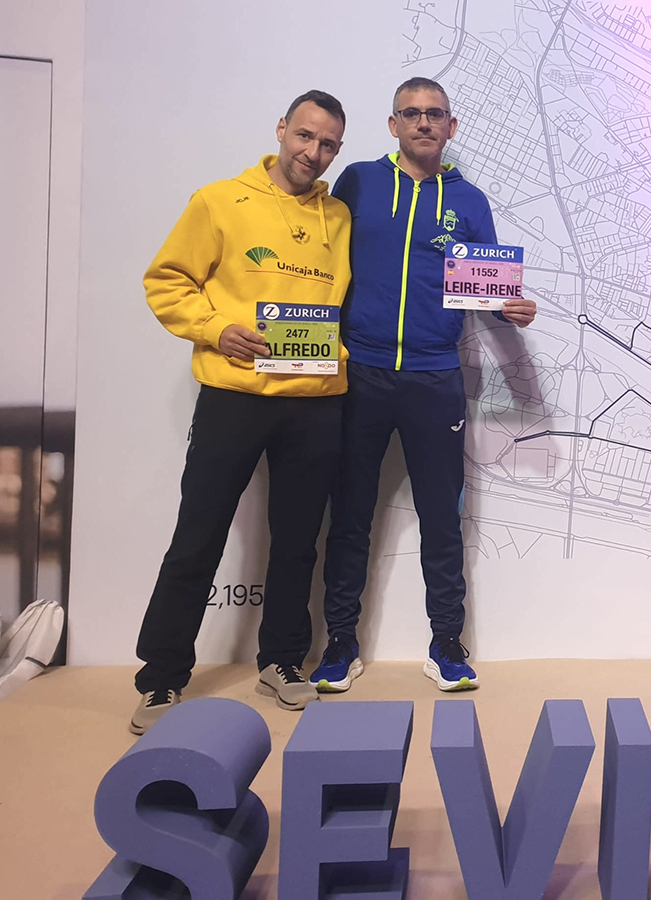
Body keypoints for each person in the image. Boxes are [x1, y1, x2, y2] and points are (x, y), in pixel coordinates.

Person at [130, 90, 351, 734]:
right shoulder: (218, 201)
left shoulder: (339, 217)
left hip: (315, 402)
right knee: (198, 535)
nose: (313, 152)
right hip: (234, 396)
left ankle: (281, 660)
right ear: (282, 129)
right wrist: (215, 329)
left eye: (328, 144)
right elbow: (166, 279)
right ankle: (162, 676)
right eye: (305, 136)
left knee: (297, 543)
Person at [310, 77, 537, 694]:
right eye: (411, 113)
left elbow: (486, 289)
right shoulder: (358, 181)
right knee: (350, 514)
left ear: (450, 126)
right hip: (360, 373)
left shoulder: (469, 201)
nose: (423, 122)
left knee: (442, 517)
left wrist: (509, 307)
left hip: (436, 377)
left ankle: (446, 644)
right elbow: (321, 258)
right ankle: (339, 643)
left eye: (434, 114)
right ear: (393, 125)